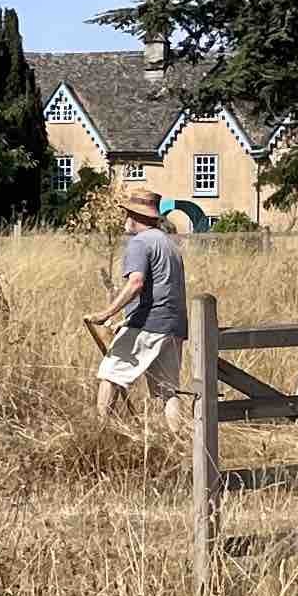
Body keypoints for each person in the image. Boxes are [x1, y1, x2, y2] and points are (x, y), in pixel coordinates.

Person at [88, 184, 191, 435]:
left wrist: (107, 314)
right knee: (169, 390)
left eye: (127, 214)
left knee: (110, 375)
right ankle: (177, 444)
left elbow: (136, 283)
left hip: (149, 324)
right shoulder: (169, 244)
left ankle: (101, 436)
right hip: (174, 325)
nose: (125, 219)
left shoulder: (140, 243)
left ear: (135, 217)